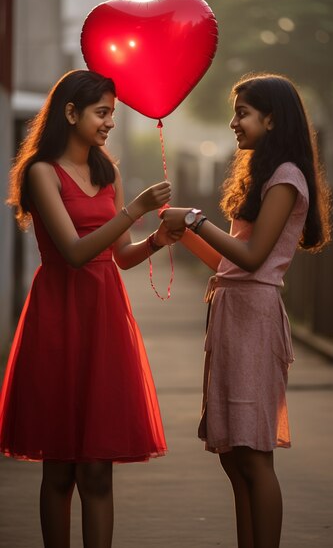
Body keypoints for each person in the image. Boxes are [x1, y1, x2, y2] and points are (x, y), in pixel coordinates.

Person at [0, 69, 180, 548]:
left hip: (104, 321)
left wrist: (157, 240)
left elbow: (118, 257)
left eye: (112, 115)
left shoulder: (108, 172)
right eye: (102, 113)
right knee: (59, 470)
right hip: (58, 321)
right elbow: (75, 253)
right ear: (71, 112)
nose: (109, 124)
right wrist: (135, 210)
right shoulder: (42, 172)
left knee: (98, 472)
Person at [161, 72, 331, 548]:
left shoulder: (286, 177)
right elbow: (227, 261)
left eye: (243, 112)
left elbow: (253, 258)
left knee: (254, 454)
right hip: (233, 311)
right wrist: (181, 232)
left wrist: (196, 219)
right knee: (233, 456)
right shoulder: (262, 175)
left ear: (271, 118)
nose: (234, 122)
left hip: (254, 317)